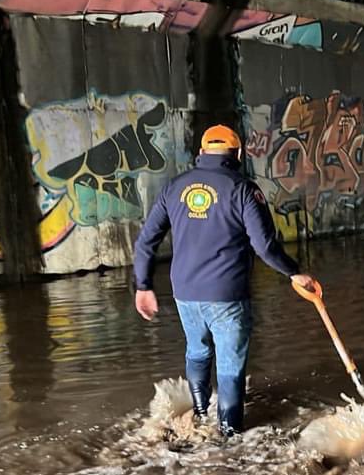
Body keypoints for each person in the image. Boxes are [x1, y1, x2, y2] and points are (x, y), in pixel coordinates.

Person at [132, 124, 316, 438]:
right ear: (239, 154)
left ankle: (202, 415)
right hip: (226, 294)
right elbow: (265, 246)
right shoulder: (243, 188)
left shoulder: (174, 187)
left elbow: (146, 241)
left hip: (185, 292)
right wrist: (294, 271)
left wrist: (143, 285)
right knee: (230, 365)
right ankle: (230, 434)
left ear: (201, 153)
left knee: (197, 351)